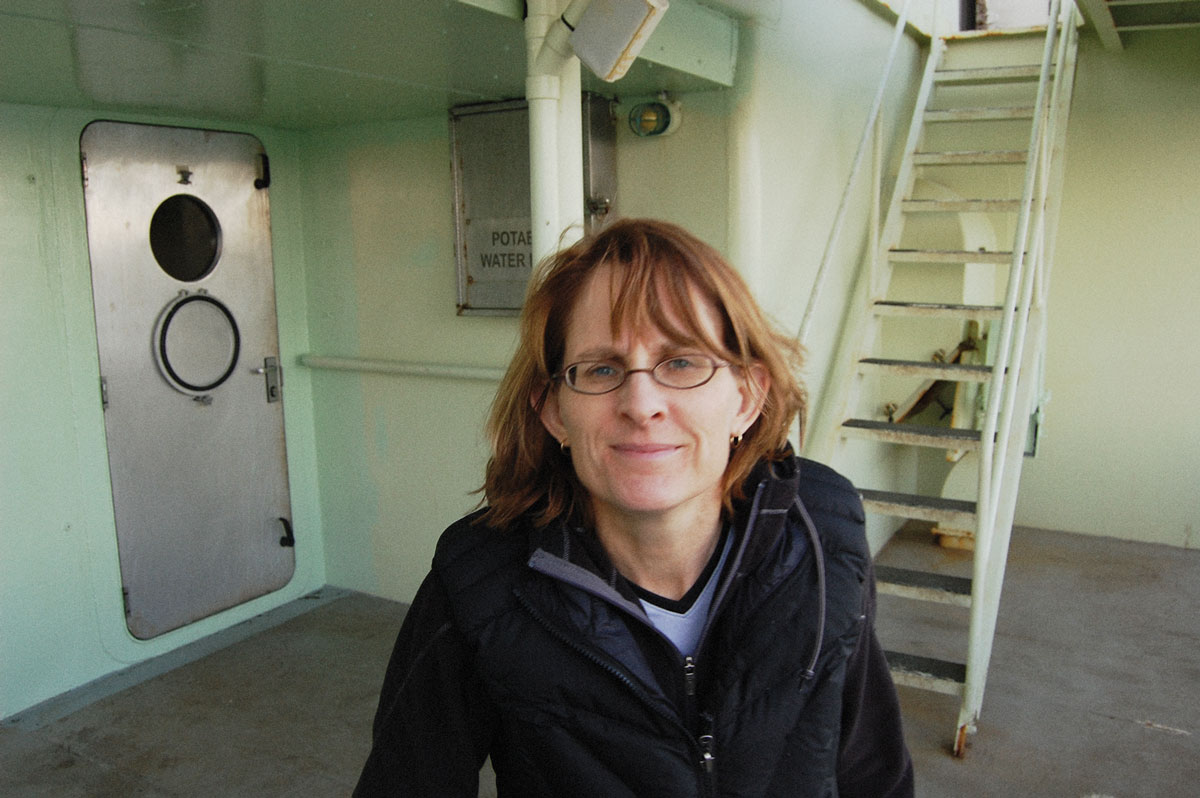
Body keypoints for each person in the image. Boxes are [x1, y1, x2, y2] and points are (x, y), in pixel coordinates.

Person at [354, 218, 914, 797]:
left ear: (746, 398)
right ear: (553, 413)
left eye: (681, 363)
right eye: (601, 369)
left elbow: (872, 767)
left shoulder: (822, 534)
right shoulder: (480, 581)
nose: (641, 404)